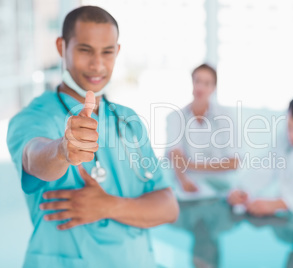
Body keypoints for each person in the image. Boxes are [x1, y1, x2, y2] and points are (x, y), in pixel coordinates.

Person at [7, 6, 179, 267]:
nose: (97, 64)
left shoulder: (128, 122)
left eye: (107, 52)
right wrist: (63, 151)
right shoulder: (34, 118)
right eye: (85, 50)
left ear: (117, 52)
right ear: (61, 46)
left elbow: (168, 207)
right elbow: (34, 156)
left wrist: (108, 206)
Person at [166, 64, 239, 193]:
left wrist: (192, 165)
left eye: (207, 83)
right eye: (197, 81)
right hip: (187, 183)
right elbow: (175, 154)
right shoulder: (175, 117)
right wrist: (184, 181)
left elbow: (234, 163)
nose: (200, 87)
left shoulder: (225, 117)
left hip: (220, 186)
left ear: (214, 88)